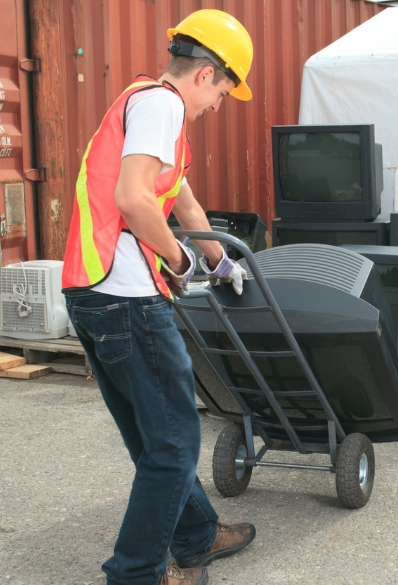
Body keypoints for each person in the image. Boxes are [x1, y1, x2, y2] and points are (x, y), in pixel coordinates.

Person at [61, 10, 256, 585]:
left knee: (155, 436)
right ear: (204, 75)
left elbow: (185, 206)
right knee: (173, 443)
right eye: (223, 89)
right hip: (126, 299)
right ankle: (135, 574)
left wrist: (223, 261)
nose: (219, 104)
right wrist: (180, 260)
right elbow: (134, 200)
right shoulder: (163, 106)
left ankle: (196, 535)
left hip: (90, 292)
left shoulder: (141, 105)